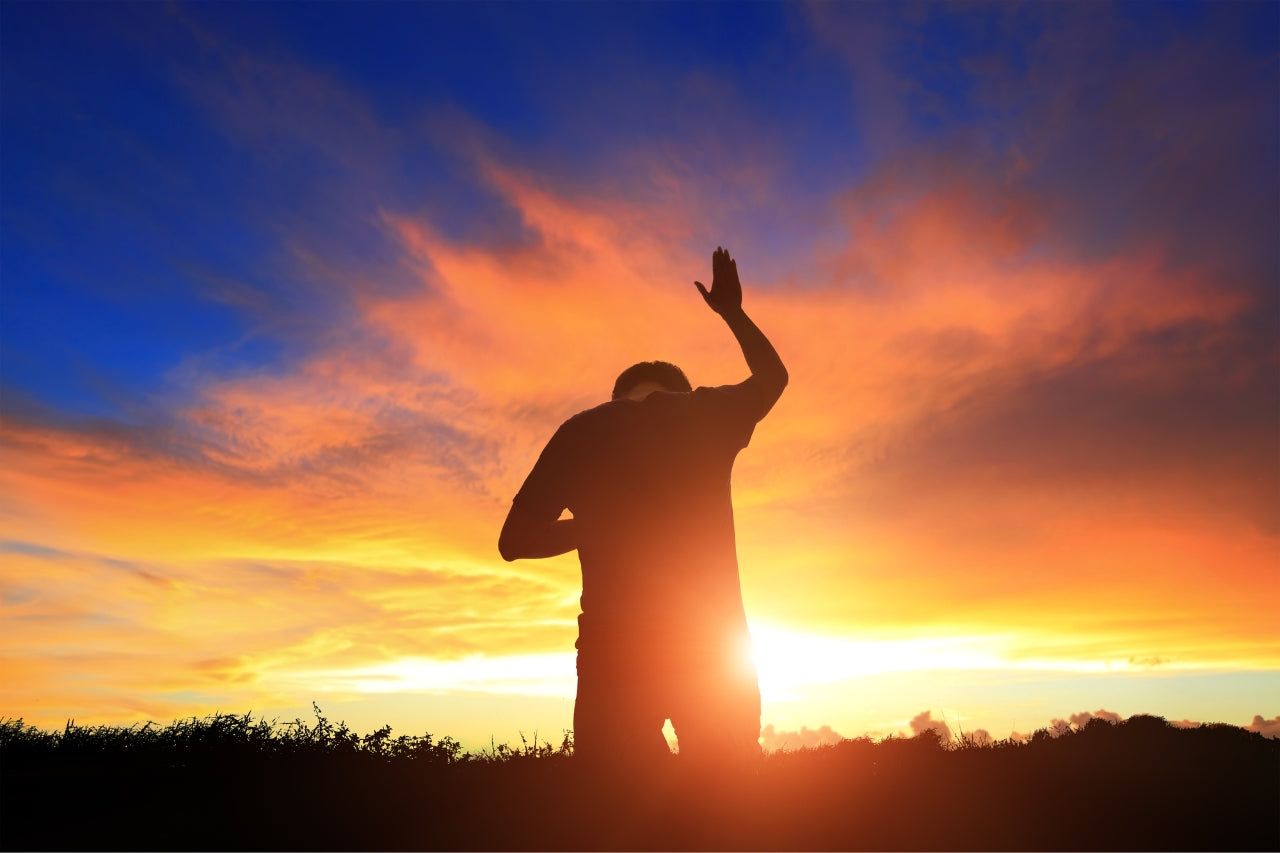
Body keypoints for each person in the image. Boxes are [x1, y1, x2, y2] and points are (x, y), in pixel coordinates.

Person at [498, 246, 788, 772]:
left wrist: (592, 527)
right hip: (706, 645)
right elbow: (773, 378)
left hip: (620, 649)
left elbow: (514, 542)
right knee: (729, 800)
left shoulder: (583, 429)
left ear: (616, 399)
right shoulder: (703, 416)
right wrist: (732, 313)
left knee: (616, 805)